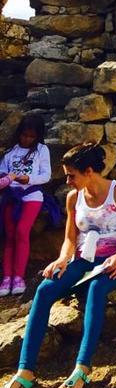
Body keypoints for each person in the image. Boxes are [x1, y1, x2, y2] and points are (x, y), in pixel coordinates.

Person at [0, 142, 116, 388]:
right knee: (44, 290)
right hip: (81, 261)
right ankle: (25, 372)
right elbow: (69, 237)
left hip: (111, 261)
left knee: (96, 290)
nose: (67, 180)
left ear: (89, 171)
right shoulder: (72, 198)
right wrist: (62, 259)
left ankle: (82, 368)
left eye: (71, 175)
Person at [0, 118, 51, 296]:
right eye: (24, 135)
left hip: (32, 195)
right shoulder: (10, 153)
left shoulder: (42, 150)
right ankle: (7, 277)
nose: (27, 139)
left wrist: (28, 179)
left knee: (22, 231)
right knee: (10, 235)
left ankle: (19, 276)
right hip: (11, 197)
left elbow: (46, 175)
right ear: (19, 133)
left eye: (31, 136)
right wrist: (8, 178)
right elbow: (3, 174)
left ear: (37, 137)